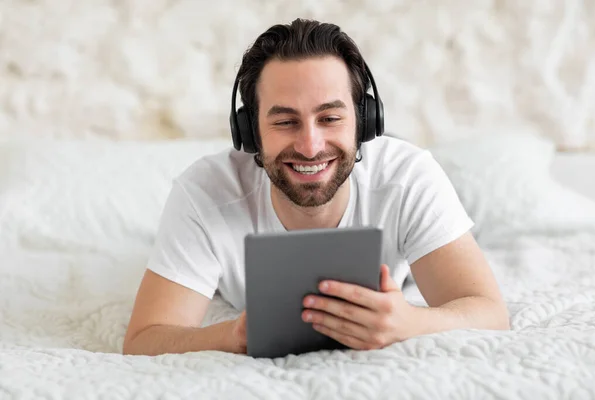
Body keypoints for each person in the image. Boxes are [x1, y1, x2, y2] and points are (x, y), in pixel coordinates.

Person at [122, 18, 510, 356]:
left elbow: (490, 313)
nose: (310, 146)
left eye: (330, 118)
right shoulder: (203, 193)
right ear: (250, 133)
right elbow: (143, 340)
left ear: (365, 122)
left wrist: (408, 323)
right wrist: (234, 335)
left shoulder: (408, 177)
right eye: (286, 121)